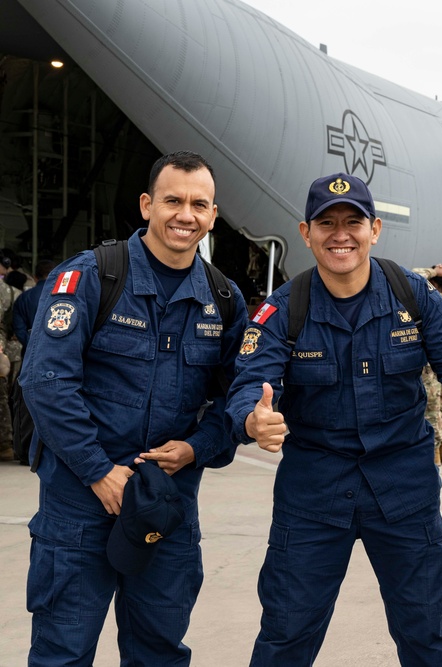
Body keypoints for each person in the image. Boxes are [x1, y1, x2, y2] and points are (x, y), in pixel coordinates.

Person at [227, 172, 442, 666]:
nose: (341, 234)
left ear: (374, 229)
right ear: (305, 232)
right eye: (326, 223)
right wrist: (254, 417)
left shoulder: (411, 296)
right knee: (285, 636)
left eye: (353, 222)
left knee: (426, 635)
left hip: (404, 495)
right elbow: (252, 379)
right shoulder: (284, 308)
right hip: (313, 498)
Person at [20, 150, 249, 665]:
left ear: (213, 216)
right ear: (147, 205)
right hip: (79, 500)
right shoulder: (91, 278)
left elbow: (239, 397)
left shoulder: (224, 299)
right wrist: (98, 470)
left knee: (158, 650)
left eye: (199, 204)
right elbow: (46, 381)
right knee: (62, 651)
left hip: (166, 503)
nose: (184, 215)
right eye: (172, 200)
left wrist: (197, 448)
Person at [412, 263, 442, 465]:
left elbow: (414, 276)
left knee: (430, 410)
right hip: (441, 363)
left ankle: (434, 454)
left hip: (429, 364)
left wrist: (433, 271)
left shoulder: (436, 299)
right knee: (438, 408)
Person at [0, 256, 20, 462]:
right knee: (9, 396)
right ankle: (7, 442)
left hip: (5, 349)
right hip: (12, 350)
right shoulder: (14, 292)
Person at [12, 259, 56, 351]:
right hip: (60, 353)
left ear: (35, 277)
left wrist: (32, 346)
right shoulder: (66, 296)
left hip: (31, 352)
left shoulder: (23, 298)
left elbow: (19, 328)